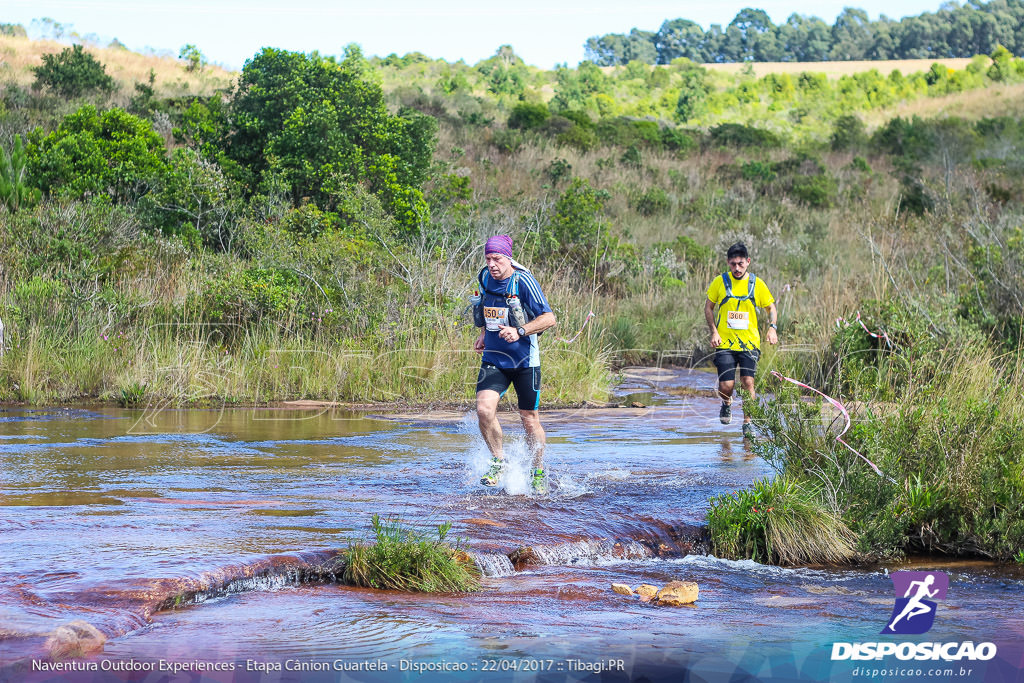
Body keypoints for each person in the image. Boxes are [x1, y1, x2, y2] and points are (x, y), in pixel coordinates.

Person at [472, 235, 557, 492]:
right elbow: (490, 309)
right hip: (494, 358)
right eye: (488, 259)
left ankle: (537, 470)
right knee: (484, 410)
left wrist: (520, 331)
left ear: (508, 258)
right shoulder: (485, 278)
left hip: (524, 360)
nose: (492, 264)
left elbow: (549, 318)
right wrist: (484, 334)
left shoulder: (523, 281)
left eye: (497, 258)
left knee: (529, 419)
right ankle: (499, 461)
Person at [704, 242, 778, 438]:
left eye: (741, 264)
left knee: (748, 383)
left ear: (748, 262)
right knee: (726, 386)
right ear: (728, 263)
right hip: (725, 344)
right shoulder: (719, 282)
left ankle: (748, 423)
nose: (737, 268)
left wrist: (772, 327)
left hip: (749, 344)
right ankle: (726, 403)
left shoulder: (757, 284)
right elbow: (708, 307)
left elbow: (771, 308)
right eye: (733, 264)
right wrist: (714, 332)